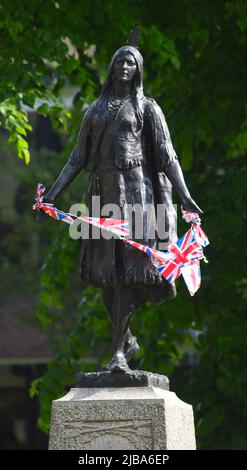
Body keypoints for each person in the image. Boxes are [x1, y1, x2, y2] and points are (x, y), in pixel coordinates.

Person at [41, 35, 202, 372]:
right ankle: (125, 340)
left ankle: (117, 355)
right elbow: (76, 158)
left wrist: (184, 194)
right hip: (102, 196)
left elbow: (167, 155)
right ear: (112, 67)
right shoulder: (95, 110)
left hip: (138, 197)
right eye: (120, 61)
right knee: (105, 275)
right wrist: (53, 193)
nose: (125, 67)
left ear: (138, 70)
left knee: (127, 275)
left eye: (131, 63)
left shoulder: (147, 108)